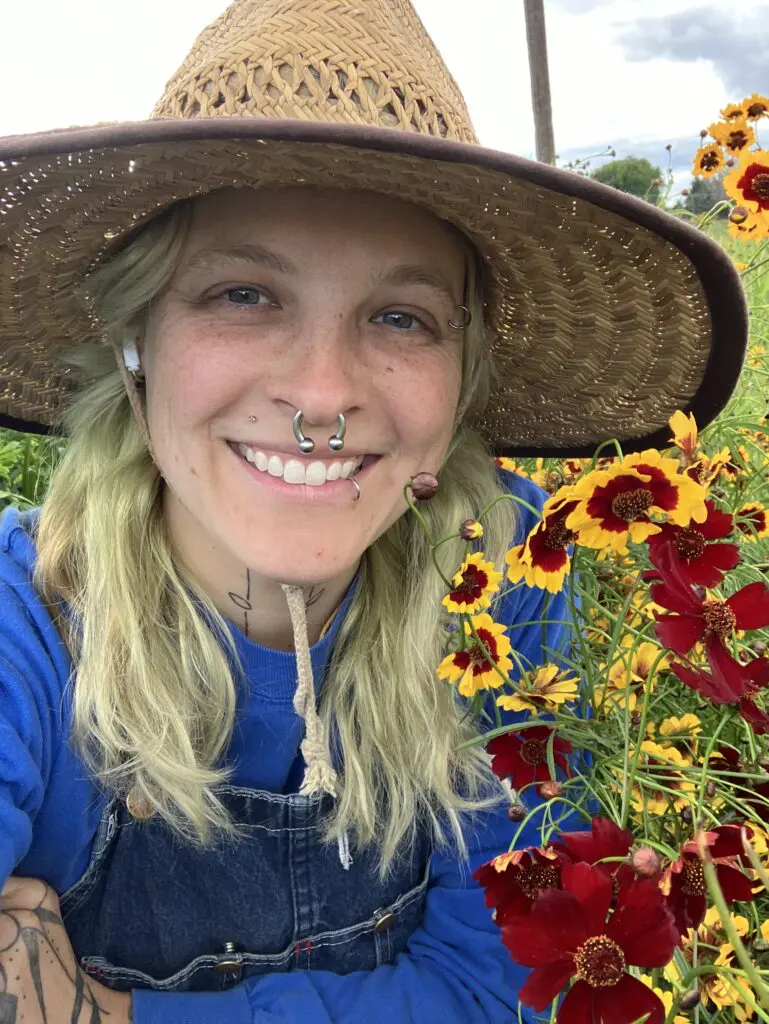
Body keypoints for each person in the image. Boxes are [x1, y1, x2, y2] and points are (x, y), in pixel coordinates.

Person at [0, 0, 746, 1021]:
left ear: (461, 386)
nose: (319, 395)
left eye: (401, 317)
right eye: (242, 294)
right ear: (137, 342)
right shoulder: (25, 625)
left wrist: (121, 1015)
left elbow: (503, 986)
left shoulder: (505, 586)